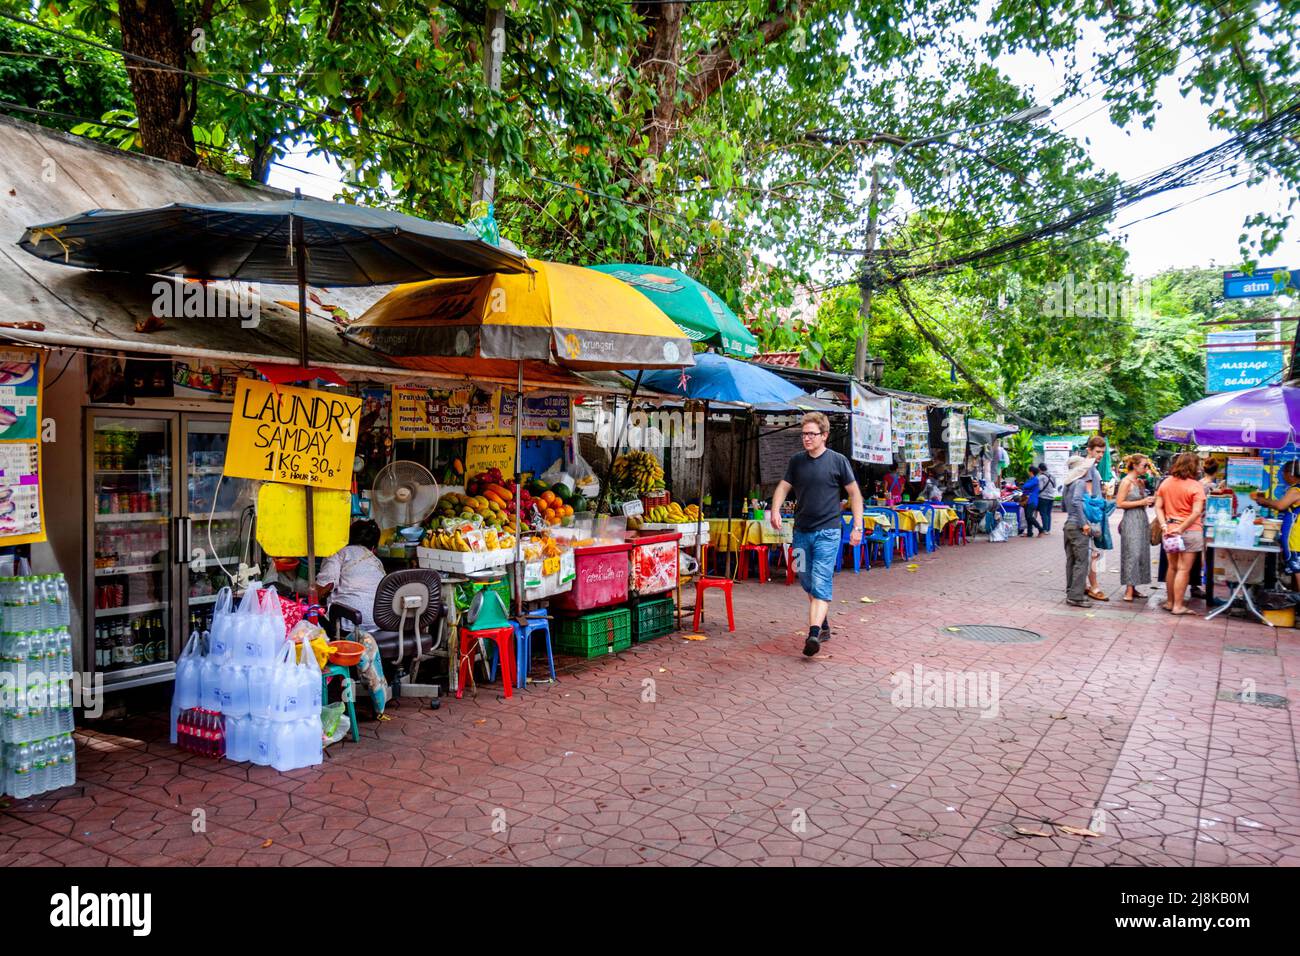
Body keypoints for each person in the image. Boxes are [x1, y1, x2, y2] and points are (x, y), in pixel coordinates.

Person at [770, 412, 864, 657]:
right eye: (804, 434)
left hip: (828, 532)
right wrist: (775, 509)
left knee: (821, 580)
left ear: (824, 436)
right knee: (806, 579)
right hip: (801, 532)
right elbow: (783, 486)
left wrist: (857, 525)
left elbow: (854, 494)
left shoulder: (838, 461)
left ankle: (813, 634)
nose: (806, 438)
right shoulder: (797, 461)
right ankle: (822, 623)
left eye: (811, 434)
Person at [1155, 452, 1206, 615]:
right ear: (1193, 466)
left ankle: (1170, 602)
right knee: (1184, 569)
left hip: (1169, 530)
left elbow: (1158, 506)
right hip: (1190, 531)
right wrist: (1182, 527)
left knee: (1172, 567)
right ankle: (1178, 605)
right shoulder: (1196, 486)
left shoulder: (1166, 483)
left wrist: (1164, 524)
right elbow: (1197, 512)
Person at [317, 519, 387, 630]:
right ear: (373, 547)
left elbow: (327, 584)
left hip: (349, 623)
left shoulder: (340, 553)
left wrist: (310, 599)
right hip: (379, 623)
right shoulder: (376, 561)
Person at [1250, 461, 1300, 591]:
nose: (1282, 475)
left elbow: (1280, 505)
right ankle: (1296, 602)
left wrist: (1263, 501)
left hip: (1295, 536)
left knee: (1298, 568)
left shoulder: (1296, 490)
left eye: (1283, 472)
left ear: (1291, 474)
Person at [1117, 453, 1156, 602]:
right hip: (1131, 520)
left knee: (1141, 554)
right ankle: (1128, 588)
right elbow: (1119, 503)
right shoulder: (1126, 482)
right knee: (1131, 553)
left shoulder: (1140, 482)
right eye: (1144, 465)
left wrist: (1149, 502)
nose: (1147, 468)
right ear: (1134, 465)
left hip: (1141, 519)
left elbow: (1142, 501)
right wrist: (1142, 502)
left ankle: (1134, 587)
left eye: (1147, 465)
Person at [1062, 455, 1099, 607]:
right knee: (1081, 561)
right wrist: (1084, 523)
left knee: (1071, 561)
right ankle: (1076, 596)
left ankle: (1071, 591)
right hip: (1077, 526)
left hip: (1068, 524)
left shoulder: (1068, 484)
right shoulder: (1080, 483)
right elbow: (1077, 502)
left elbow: (1066, 506)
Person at [1083, 435, 1109, 601]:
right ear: (1089, 450)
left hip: (1093, 514)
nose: (1100, 455)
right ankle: (1094, 585)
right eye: (1098, 451)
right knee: (1093, 553)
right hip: (1091, 516)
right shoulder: (1088, 467)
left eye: (1102, 452)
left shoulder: (1092, 467)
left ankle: (1089, 584)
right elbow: (1089, 495)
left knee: (1092, 553)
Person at [1021, 466, 1044, 537]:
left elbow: (1026, 486)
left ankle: (1040, 529)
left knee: (1029, 516)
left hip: (1032, 501)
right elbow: (1025, 487)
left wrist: (1024, 486)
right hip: (1028, 500)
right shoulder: (1031, 479)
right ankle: (1029, 533)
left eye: (1029, 471)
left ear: (1031, 472)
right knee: (1028, 517)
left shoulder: (1035, 479)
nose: (1028, 472)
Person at [1036, 466, 1056, 534]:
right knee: (1048, 513)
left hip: (1043, 497)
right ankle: (1048, 529)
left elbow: (1040, 488)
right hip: (1051, 497)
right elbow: (1054, 485)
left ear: (1039, 469)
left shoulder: (1041, 477)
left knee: (1043, 513)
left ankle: (1045, 529)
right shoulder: (1052, 476)